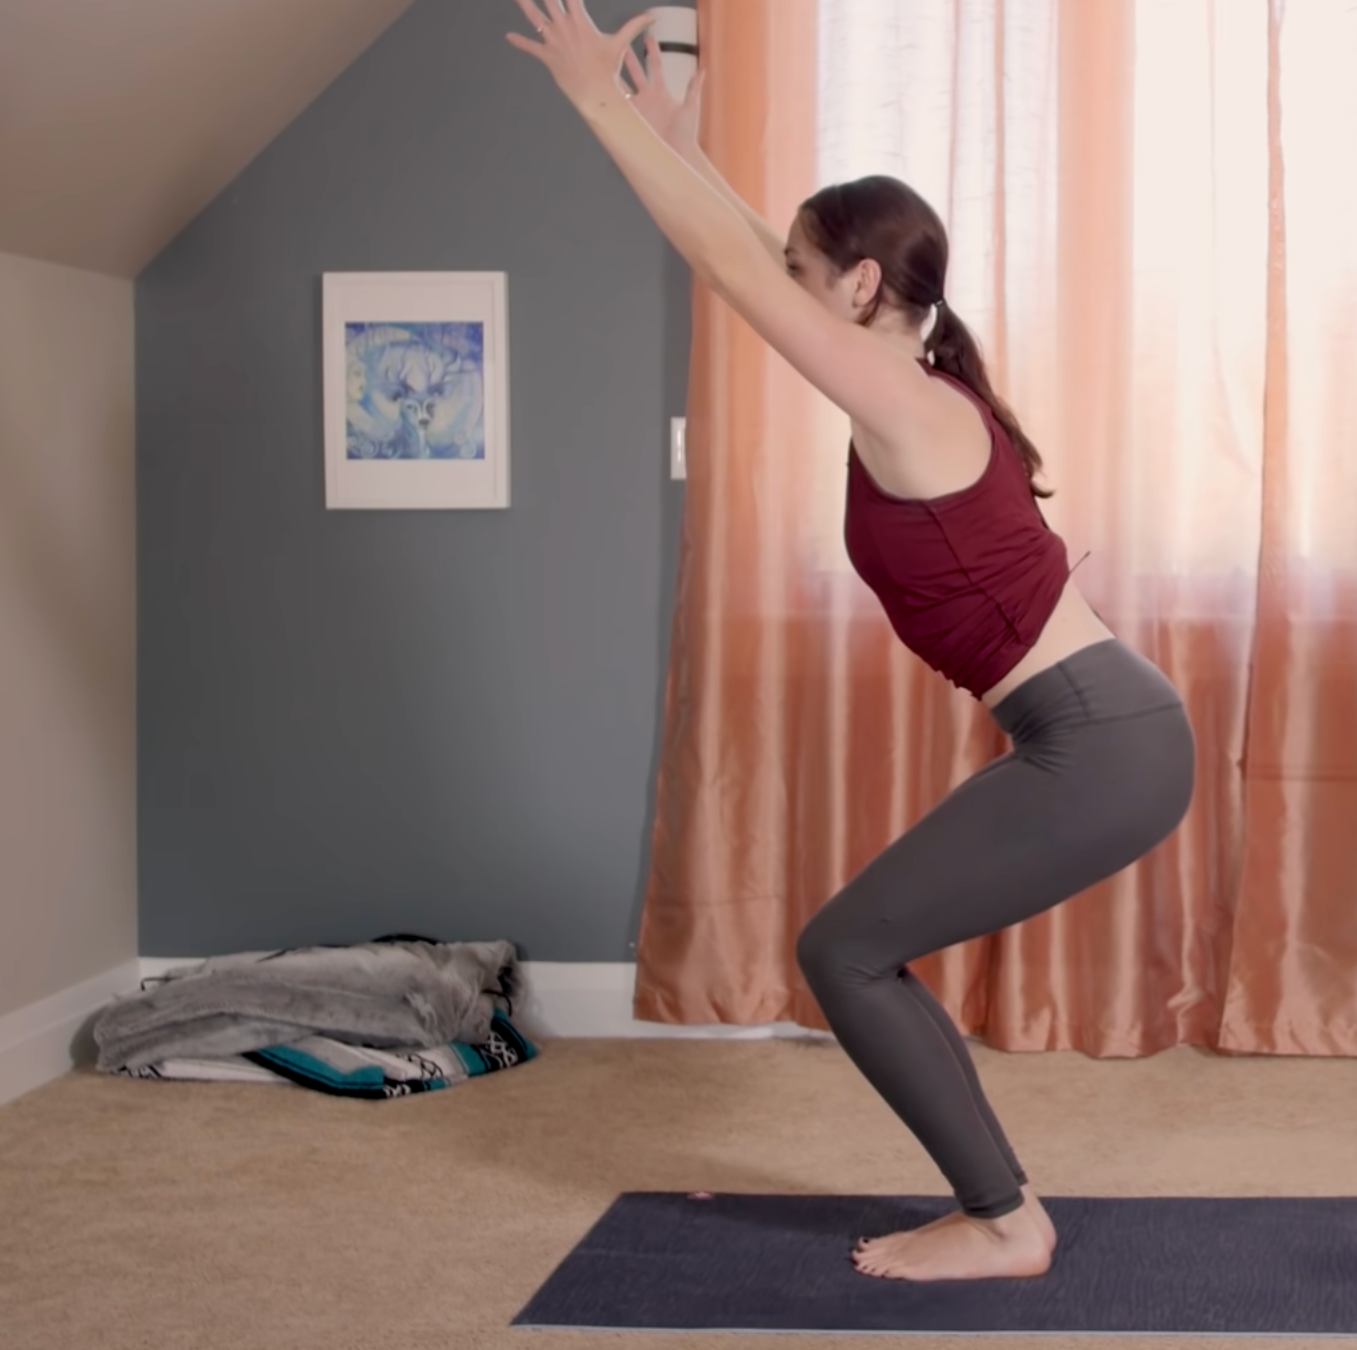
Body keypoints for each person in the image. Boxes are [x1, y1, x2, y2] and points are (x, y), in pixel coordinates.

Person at [508, 1, 1196, 1283]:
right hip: (1105, 730)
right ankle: (999, 1211)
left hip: (1103, 742)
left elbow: (730, 269)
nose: (794, 284)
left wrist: (602, 109)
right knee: (855, 944)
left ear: (864, 288)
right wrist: (674, 140)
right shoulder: (914, 382)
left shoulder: (898, 396)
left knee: (844, 947)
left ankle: (1004, 1221)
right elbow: (755, 260)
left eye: (813, 271)